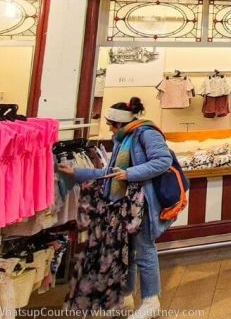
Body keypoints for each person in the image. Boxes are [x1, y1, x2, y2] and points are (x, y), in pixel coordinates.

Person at [58, 98, 172, 319]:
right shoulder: (123, 139)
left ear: (119, 123)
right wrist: (78, 173)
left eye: (111, 124)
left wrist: (130, 174)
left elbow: (162, 161)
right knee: (126, 249)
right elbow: (110, 173)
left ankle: (151, 300)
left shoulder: (145, 133)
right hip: (124, 203)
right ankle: (126, 294)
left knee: (145, 249)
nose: (109, 128)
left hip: (142, 202)